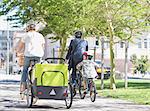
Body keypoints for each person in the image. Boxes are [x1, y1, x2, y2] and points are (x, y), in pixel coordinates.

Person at [16, 24, 45, 96]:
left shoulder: (26, 35)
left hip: (28, 55)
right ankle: (39, 83)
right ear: (35, 29)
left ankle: (23, 86)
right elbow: (43, 46)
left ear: (28, 29)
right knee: (38, 70)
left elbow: (20, 46)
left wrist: (18, 52)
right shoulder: (40, 35)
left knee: (25, 69)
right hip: (39, 55)